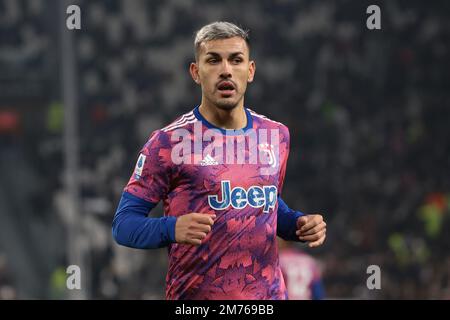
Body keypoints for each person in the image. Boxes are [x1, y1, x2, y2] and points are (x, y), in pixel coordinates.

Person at [112, 21, 327, 300]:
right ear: (196, 72)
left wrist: (299, 224)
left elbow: (266, 204)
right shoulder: (167, 143)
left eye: (236, 60)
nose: (226, 69)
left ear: (250, 71)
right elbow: (123, 225)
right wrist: (171, 228)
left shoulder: (276, 135)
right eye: (213, 60)